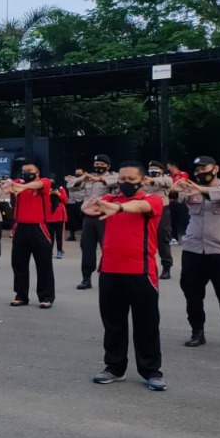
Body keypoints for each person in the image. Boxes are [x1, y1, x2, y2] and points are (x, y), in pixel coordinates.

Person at [85, 162, 167, 391]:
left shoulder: (152, 200)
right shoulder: (109, 200)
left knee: (147, 325)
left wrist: (119, 208)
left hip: (142, 272)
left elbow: (140, 206)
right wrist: (90, 206)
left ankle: (151, 371)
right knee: (113, 324)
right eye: (122, 179)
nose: (125, 183)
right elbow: (89, 207)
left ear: (143, 181)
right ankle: (114, 367)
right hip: (110, 271)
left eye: (131, 179)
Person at [175, 156, 220, 351]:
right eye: (196, 170)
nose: (200, 172)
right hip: (193, 250)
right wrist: (174, 189)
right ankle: (197, 332)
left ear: (216, 169)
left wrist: (201, 190)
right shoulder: (190, 189)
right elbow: (173, 197)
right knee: (192, 294)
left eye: (204, 168)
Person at [5, 161, 55, 308]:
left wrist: (22, 187)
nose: (26, 173)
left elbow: (38, 185)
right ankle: (21, 295)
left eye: (30, 170)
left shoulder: (43, 182)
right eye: (24, 171)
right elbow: (8, 187)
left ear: (37, 172)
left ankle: (46, 297)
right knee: (18, 263)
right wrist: (8, 185)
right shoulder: (18, 182)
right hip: (20, 227)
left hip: (39, 228)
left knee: (44, 264)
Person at [69, 154, 117, 290]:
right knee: (87, 247)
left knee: (107, 247)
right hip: (89, 217)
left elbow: (117, 181)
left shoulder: (113, 176)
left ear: (108, 166)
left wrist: (100, 179)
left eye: (102, 164)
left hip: (105, 216)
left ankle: (110, 275)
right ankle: (86, 278)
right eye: (97, 164)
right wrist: (82, 178)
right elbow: (71, 185)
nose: (98, 166)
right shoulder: (88, 178)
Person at [142, 161, 175, 279]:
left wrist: (151, 180)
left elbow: (168, 182)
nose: (152, 170)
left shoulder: (166, 179)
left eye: (155, 168)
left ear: (161, 170)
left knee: (163, 240)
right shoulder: (143, 179)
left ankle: (166, 267)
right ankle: (145, 267)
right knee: (144, 241)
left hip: (162, 211)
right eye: (150, 168)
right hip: (146, 211)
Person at [167, 161, 189, 242]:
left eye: (168, 166)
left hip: (181, 200)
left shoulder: (182, 174)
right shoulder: (168, 176)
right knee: (172, 221)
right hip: (171, 202)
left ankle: (187, 237)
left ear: (173, 166)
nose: (167, 168)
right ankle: (174, 238)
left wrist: (172, 187)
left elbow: (182, 182)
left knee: (184, 219)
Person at [46, 174, 67, 258]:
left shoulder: (60, 188)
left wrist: (58, 194)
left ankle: (59, 251)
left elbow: (66, 200)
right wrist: (48, 193)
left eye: (52, 179)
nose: (50, 181)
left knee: (59, 235)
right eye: (49, 179)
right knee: (49, 235)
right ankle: (49, 251)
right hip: (48, 215)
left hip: (59, 216)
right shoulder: (45, 189)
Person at [65, 167, 85, 242]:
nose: (78, 175)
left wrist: (73, 179)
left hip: (81, 200)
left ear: (83, 174)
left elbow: (78, 186)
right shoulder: (71, 180)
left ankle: (84, 235)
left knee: (82, 218)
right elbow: (69, 186)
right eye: (76, 173)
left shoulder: (85, 181)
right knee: (72, 219)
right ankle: (72, 235)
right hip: (72, 201)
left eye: (80, 173)